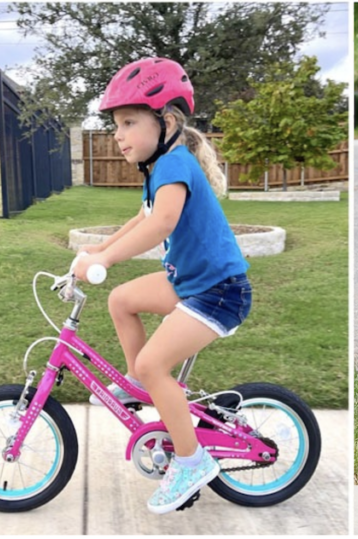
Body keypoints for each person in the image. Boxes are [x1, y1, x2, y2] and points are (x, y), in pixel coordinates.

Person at [73, 57, 251, 514]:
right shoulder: (161, 169)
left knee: (156, 363)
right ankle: (138, 384)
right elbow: (142, 218)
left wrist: (107, 259)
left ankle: (191, 462)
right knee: (121, 299)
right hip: (190, 281)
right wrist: (96, 252)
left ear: (166, 121)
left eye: (130, 122)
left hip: (219, 291)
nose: (119, 134)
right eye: (116, 125)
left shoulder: (175, 164)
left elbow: (162, 225)